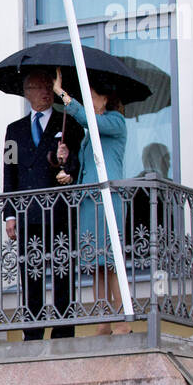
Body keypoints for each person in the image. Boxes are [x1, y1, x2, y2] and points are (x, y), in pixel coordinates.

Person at [2, 68, 84, 340]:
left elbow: (75, 166)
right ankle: (33, 331)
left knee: (62, 272)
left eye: (49, 86)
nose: (46, 91)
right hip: (27, 213)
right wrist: (9, 215)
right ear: (27, 93)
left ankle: (63, 330)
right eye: (39, 87)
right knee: (31, 273)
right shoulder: (14, 130)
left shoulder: (67, 123)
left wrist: (66, 160)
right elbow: (9, 171)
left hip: (59, 211)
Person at [53, 68, 130, 335]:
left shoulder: (115, 122)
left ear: (107, 98)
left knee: (111, 261)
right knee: (94, 265)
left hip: (107, 199)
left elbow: (89, 121)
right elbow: (87, 170)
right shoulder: (88, 136)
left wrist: (62, 94)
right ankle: (103, 320)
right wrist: (67, 173)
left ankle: (122, 319)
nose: (89, 100)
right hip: (88, 201)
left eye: (92, 95)